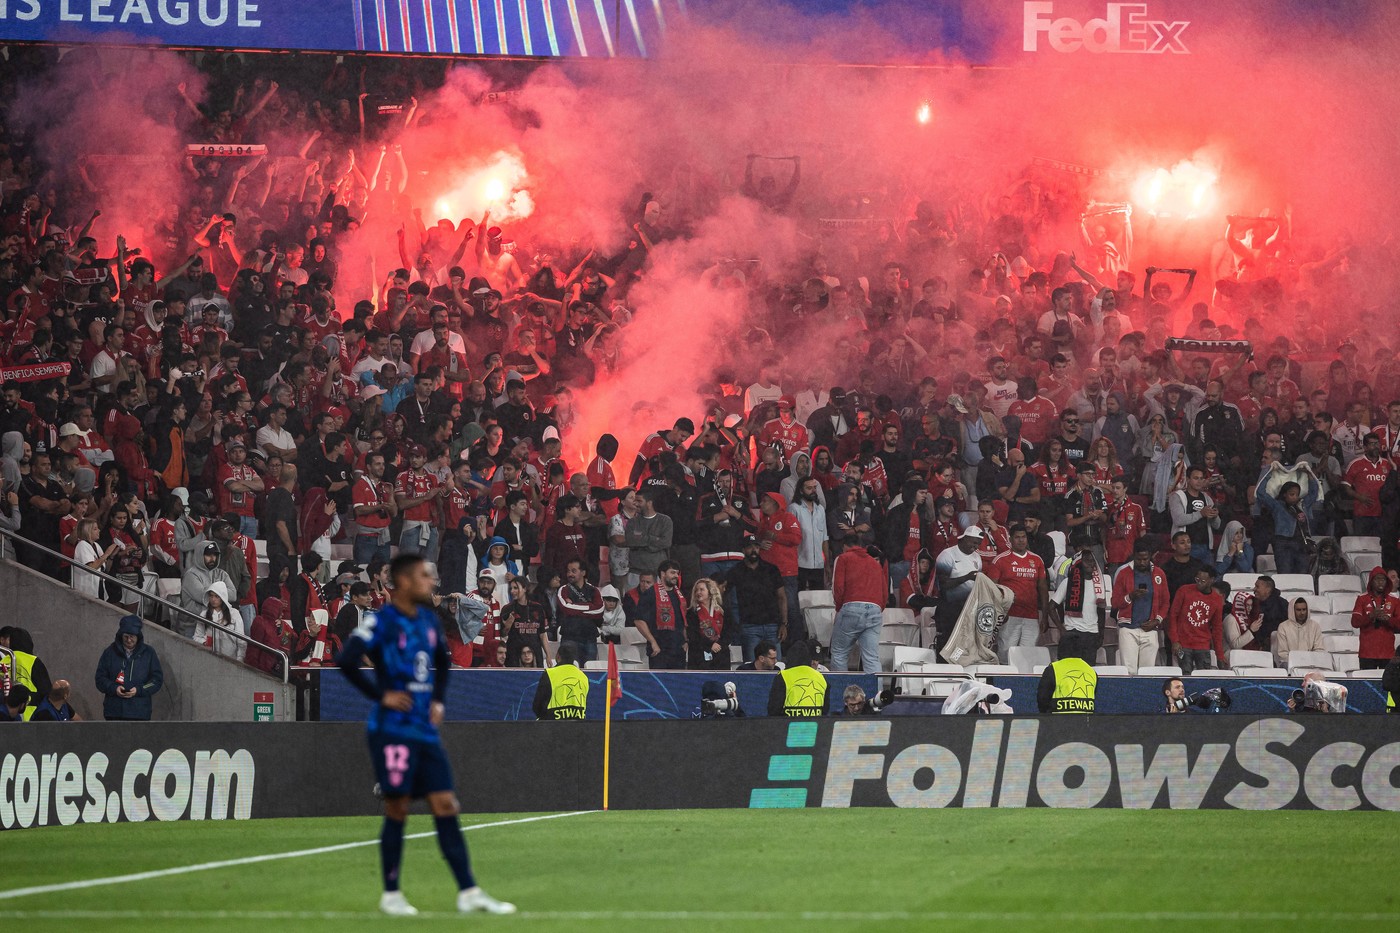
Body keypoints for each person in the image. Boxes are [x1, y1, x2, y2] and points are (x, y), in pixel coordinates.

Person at [335, 553, 515, 917]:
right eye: (424, 576)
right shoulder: (382, 620)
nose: (432, 582)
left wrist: (437, 700)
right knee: (398, 807)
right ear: (402, 581)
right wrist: (381, 695)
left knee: (447, 804)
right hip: (392, 729)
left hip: (423, 729)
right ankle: (391, 894)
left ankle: (469, 891)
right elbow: (346, 659)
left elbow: (444, 663)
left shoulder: (429, 622)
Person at [991, 525, 1048, 664]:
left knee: (1028, 655)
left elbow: (1043, 589)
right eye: (1017, 537)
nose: (1021, 540)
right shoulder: (1000, 560)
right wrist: (998, 613)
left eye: (1023, 537)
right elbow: (991, 589)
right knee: (1006, 652)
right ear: (1010, 539)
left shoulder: (1037, 560)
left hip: (1031, 616)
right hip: (1008, 615)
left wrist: (1044, 616)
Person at [1110, 540, 1170, 675]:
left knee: (1147, 672)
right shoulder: (1123, 573)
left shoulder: (1159, 574)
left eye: (1145, 559)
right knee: (1129, 671)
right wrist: (1130, 597)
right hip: (1128, 629)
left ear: (1151, 557)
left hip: (1150, 629)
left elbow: (1166, 602)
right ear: (1134, 555)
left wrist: (1157, 620)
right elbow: (1115, 603)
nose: (1142, 562)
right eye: (1139, 559)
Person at [725, 536, 788, 661]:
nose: (754, 550)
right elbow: (723, 591)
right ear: (743, 550)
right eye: (750, 547)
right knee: (752, 667)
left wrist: (784, 624)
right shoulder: (736, 571)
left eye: (756, 547)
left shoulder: (771, 569)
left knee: (776, 667)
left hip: (772, 626)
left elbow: (782, 597)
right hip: (749, 627)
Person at [829, 542, 887, 673]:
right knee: (872, 658)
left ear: (846, 547)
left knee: (839, 653)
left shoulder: (844, 558)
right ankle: (878, 693)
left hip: (851, 607)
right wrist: (877, 609)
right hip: (875, 610)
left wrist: (839, 609)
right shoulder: (875, 564)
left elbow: (838, 588)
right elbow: (884, 593)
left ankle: (841, 692)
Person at [94, 614, 164, 721]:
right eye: (126, 636)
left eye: (132, 637)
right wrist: (114, 688)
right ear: (120, 635)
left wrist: (139, 690)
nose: (129, 640)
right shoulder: (109, 652)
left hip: (140, 713)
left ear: (138, 636)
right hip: (114, 712)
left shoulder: (149, 653)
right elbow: (100, 679)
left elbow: (156, 680)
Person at [1059, 529, 1107, 664]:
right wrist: (1062, 626)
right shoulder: (1067, 571)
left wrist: (1101, 633)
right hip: (1071, 631)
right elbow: (1058, 602)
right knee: (1067, 669)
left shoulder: (1098, 581)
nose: (1091, 563)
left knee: (1086, 671)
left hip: (1090, 633)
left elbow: (1101, 609)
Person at [1168, 566, 1227, 674]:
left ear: (1212, 580)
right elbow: (1172, 616)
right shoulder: (1184, 591)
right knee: (1184, 676)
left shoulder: (1217, 599)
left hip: (1203, 645)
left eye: (1203, 581)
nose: (1199, 583)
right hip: (1183, 644)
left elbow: (1217, 628)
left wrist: (1220, 655)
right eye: (1197, 580)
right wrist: (1175, 640)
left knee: (1204, 677)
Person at [933, 527, 984, 650]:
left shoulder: (977, 557)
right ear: (965, 538)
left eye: (978, 543)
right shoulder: (947, 555)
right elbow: (943, 585)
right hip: (948, 608)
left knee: (964, 645)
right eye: (974, 542)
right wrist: (966, 577)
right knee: (947, 643)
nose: (976, 546)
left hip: (968, 608)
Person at [633, 559, 688, 670]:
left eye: (677, 573)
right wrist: (653, 642)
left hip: (678, 649)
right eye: (672, 572)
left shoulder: (680, 594)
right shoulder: (650, 593)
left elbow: (683, 620)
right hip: (659, 649)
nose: (676, 576)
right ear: (663, 574)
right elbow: (639, 621)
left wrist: (685, 641)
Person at [555, 558, 604, 663]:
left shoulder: (594, 590)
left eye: (573, 571)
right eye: (568, 571)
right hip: (569, 637)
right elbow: (566, 608)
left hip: (590, 638)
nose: (570, 574)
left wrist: (574, 606)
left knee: (590, 675)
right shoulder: (563, 589)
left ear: (583, 572)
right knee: (568, 671)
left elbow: (599, 610)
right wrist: (590, 607)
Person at [1350, 568, 1400, 669]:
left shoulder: (1394, 600)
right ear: (1371, 581)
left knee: (1387, 683)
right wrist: (1371, 616)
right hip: (1367, 653)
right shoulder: (1362, 598)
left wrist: (1387, 619)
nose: (1381, 582)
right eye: (1377, 579)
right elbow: (1354, 622)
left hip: (1387, 652)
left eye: (1383, 579)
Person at [767, 639, 827, 717]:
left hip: (788, 726)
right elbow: (825, 710)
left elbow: (773, 710)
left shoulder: (783, 676)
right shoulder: (821, 677)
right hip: (814, 726)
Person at [532, 641, 589, 720]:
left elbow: (537, 705)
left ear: (558, 656)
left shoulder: (549, 674)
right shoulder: (583, 677)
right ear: (574, 658)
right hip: (577, 727)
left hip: (552, 726)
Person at [686, 577, 730, 670]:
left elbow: (730, 631)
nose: (698, 592)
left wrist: (719, 644)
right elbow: (692, 634)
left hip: (720, 653)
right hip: (699, 655)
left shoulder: (722, 610)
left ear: (710, 592)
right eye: (696, 590)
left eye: (702, 589)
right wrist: (710, 645)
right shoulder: (692, 612)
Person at [1276, 598, 1326, 668]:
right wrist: (1297, 663)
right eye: (1298, 610)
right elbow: (1283, 653)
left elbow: (1319, 649)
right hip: (1290, 663)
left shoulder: (1315, 626)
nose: (1302, 613)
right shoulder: (1283, 627)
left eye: (1304, 609)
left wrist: (1309, 662)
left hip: (1312, 664)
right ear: (1292, 611)